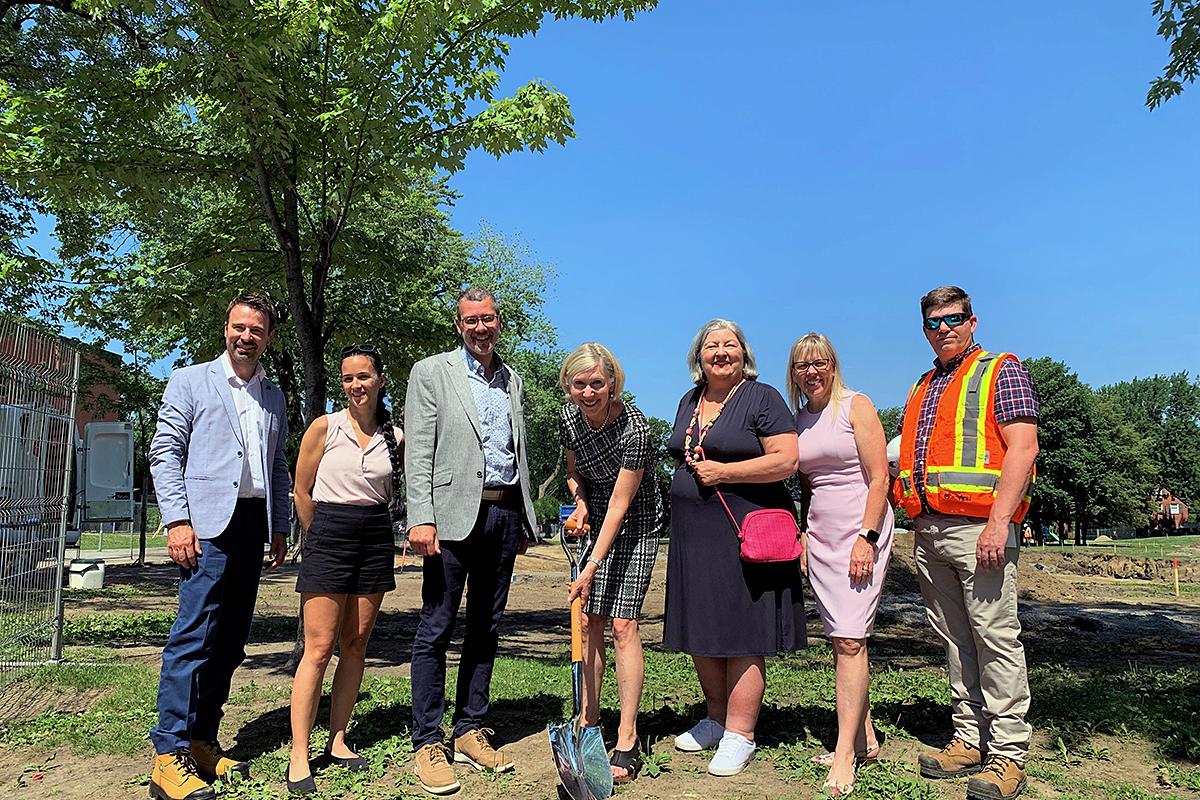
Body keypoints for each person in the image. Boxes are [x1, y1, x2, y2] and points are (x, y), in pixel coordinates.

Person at [894, 286, 1039, 800]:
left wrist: (1000, 521)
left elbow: (1023, 448)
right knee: (956, 638)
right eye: (934, 322)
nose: (945, 329)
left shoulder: (1002, 370)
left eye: (954, 319)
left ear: (973, 321)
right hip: (930, 528)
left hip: (981, 530)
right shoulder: (924, 384)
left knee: (995, 636)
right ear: (925, 329)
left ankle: (1008, 755)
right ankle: (969, 736)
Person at [148, 292, 291, 800]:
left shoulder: (273, 397)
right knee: (193, 636)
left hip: (253, 525)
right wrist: (178, 520)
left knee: (230, 641)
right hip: (205, 528)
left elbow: (276, 465)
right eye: (238, 327)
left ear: (269, 338)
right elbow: (164, 452)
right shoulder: (190, 380)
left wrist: (281, 524)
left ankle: (202, 740)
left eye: (256, 330)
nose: (246, 337)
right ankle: (168, 755)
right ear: (225, 328)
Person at [404, 287, 538, 795]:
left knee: (486, 626)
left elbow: (515, 451)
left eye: (488, 319)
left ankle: (469, 728)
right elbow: (418, 451)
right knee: (436, 627)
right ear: (458, 325)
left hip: (502, 515)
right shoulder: (431, 372)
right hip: (449, 519)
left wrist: (523, 518)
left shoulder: (513, 378)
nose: (480, 328)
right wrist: (420, 518)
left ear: (499, 322)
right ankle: (427, 740)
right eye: (470, 320)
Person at [665, 319, 802, 777]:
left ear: (744, 353)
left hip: (746, 531)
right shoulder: (690, 399)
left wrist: (725, 473)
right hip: (694, 534)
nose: (721, 353)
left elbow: (786, 459)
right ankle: (716, 718)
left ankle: (741, 734)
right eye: (711, 346)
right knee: (703, 626)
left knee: (744, 630)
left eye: (730, 345)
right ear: (698, 357)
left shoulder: (762, 398)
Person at [285, 345, 404, 795]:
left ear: (380, 380)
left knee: (355, 644)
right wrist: (318, 536)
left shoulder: (395, 435)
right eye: (349, 378)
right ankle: (300, 752)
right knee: (318, 648)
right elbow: (302, 490)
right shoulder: (324, 427)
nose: (356, 385)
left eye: (364, 376)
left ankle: (337, 739)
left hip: (374, 535)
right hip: (329, 533)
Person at [790, 332, 894, 797]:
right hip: (822, 535)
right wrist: (805, 536)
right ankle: (865, 737)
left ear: (833, 365)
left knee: (851, 640)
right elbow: (809, 486)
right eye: (802, 365)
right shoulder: (800, 419)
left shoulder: (856, 405)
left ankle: (845, 753)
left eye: (820, 363)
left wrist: (866, 538)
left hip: (860, 530)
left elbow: (880, 479)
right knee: (840, 640)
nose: (811, 371)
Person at [559, 343, 663, 783]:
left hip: (636, 520)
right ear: (569, 386)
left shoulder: (635, 429)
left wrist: (590, 566)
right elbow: (572, 470)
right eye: (580, 384)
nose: (588, 392)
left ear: (612, 383)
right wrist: (580, 503)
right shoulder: (567, 418)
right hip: (597, 513)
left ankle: (627, 736)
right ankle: (588, 722)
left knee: (623, 624)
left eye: (597, 383)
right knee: (590, 623)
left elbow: (622, 503)